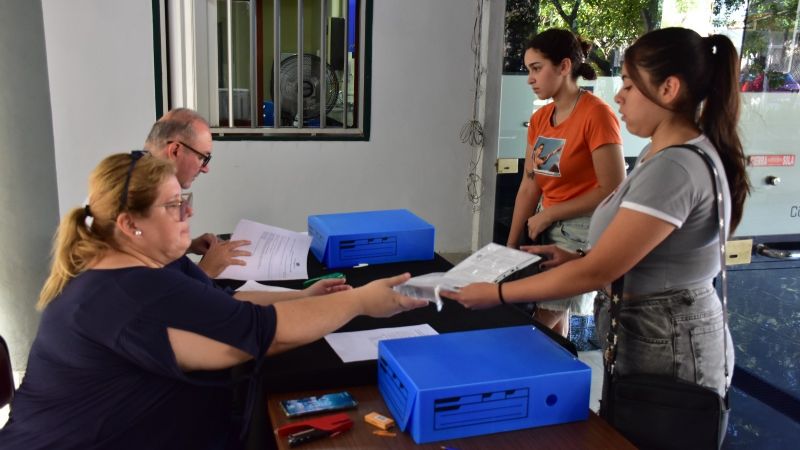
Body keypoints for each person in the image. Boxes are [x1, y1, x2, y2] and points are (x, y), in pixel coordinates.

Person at [0, 152, 428, 449]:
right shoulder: (134, 292)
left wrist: (304, 299)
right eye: (173, 206)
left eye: (184, 201)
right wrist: (360, 301)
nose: (188, 215)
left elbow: (224, 307)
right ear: (130, 224)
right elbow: (254, 336)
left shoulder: (128, 269)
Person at [443, 26, 748, 439]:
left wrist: (495, 294)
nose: (619, 95)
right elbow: (626, 254)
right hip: (648, 335)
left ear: (669, 88)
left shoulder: (674, 166)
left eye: (628, 84)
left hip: (669, 343)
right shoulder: (665, 154)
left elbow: (598, 272)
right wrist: (574, 258)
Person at [506, 28, 625, 336]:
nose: (530, 78)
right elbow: (529, 184)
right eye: (528, 70)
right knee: (555, 321)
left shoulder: (597, 115)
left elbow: (613, 189)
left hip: (582, 230)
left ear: (564, 67)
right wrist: (509, 245)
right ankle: (557, 380)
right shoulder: (540, 118)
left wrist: (550, 213)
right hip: (547, 225)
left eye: (536, 69)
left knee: (537, 325)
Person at [144, 108, 250, 278]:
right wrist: (206, 271)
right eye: (203, 157)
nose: (205, 168)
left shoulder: (142, 179)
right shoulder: (137, 196)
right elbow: (155, 294)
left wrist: (189, 246)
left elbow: (148, 251)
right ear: (175, 151)